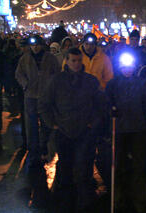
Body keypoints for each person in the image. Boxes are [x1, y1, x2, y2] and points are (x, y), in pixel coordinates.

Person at [39, 47, 106, 212]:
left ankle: (84, 204)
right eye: (73, 61)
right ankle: (66, 203)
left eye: (78, 60)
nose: (76, 64)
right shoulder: (57, 81)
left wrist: (93, 123)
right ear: (67, 61)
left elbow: (100, 105)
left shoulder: (90, 81)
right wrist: (53, 123)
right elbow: (44, 104)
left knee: (84, 169)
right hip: (64, 131)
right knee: (66, 169)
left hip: (85, 132)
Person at [106, 50, 146, 213]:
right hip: (119, 129)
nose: (127, 70)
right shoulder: (113, 84)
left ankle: (139, 199)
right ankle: (118, 198)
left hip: (138, 129)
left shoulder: (141, 83)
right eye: (124, 67)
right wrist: (111, 113)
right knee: (118, 165)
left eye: (130, 67)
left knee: (138, 166)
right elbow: (106, 103)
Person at [15, 35, 60, 167]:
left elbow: (57, 73)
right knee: (31, 125)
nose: (35, 47)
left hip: (46, 97)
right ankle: (33, 151)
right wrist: (25, 85)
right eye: (33, 45)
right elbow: (19, 74)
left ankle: (44, 147)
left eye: (37, 44)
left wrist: (52, 87)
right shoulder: (25, 59)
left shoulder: (50, 58)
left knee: (47, 124)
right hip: (30, 96)